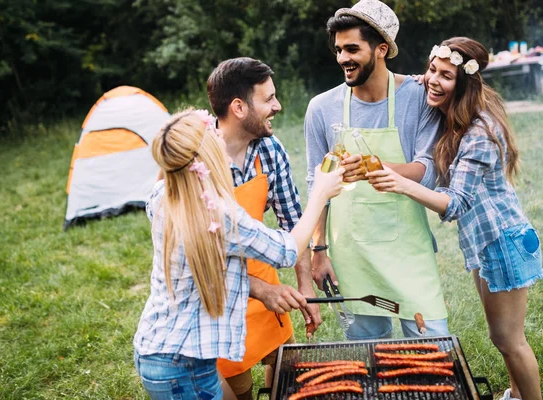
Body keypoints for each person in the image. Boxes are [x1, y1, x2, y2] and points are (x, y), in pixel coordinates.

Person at [368, 37, 542, 400]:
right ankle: (515, 394)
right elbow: (426, 80)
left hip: (503, 242)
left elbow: (457, 203)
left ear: (463, 83)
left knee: (511, 341)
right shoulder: (459, 113)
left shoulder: (479, 132)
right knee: (501, 338)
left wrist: (400, 183)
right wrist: (427, 78)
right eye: (432, 69)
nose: (433, 79)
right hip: (487, 242)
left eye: (446, 75)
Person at [133, 109, 345, 400]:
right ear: (203, 160)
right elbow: (288, 250)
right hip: (184, 365)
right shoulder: (220, 217)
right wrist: (321, 193)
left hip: (156, 347)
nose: (221, 135)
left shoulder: (163, 196)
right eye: (213, 135)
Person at [305, 0, 450, 340]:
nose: (343, 58)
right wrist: (318, 250)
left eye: (352, 48)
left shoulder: (418, 97)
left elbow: (428, 170)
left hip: (408, 253)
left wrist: (375, 166)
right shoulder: (321, 108)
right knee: (370, 358)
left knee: (435, 350)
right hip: (353, 259)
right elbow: (316, 186)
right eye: (339, 49)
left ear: (381, 49)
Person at [206, 57, 322, 400]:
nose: (278, 106)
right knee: (238, 389)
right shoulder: (198, 159)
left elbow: (292, 221)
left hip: (266, 281)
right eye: (268, 99)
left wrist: (305, 285)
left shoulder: (270, 150)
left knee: (286, 370)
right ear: (239, 107)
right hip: (220, 292)